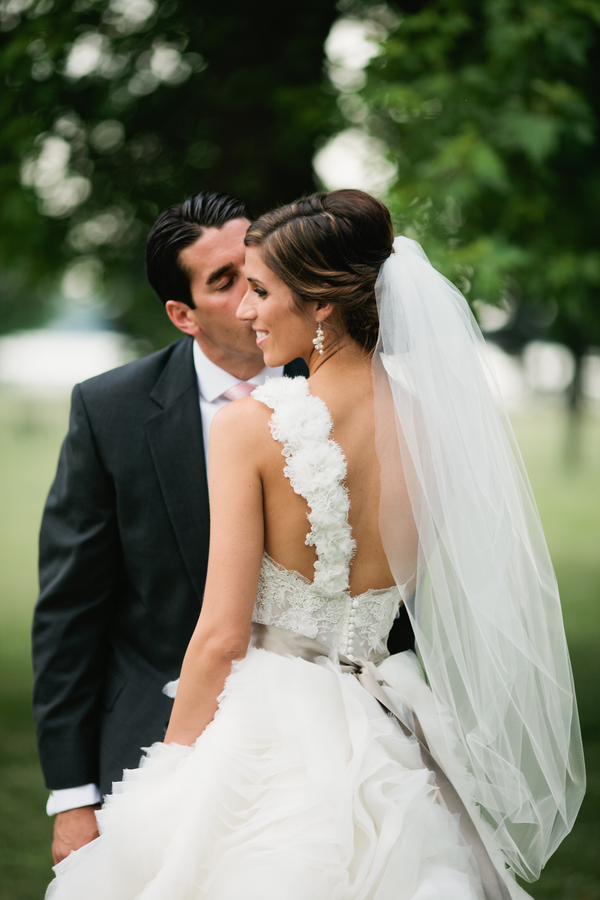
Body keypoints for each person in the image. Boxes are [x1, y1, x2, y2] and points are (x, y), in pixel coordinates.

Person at [44, 190, 584, 900]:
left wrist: (172, 776)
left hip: (266, 731)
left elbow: (219, 636)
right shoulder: (439, 431)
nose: (248, 309)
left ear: (321, 304)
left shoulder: (252, 427)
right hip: (385, 725)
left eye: (262, 290)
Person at [32, 190, 317, 865]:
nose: (251, 289)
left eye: (257, 264)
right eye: (224, 281)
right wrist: (72, 796)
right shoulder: (111, 412)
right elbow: (71, 614)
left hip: (316, 746)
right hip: (152, 748)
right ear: (181, 314)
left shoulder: (342, 392)